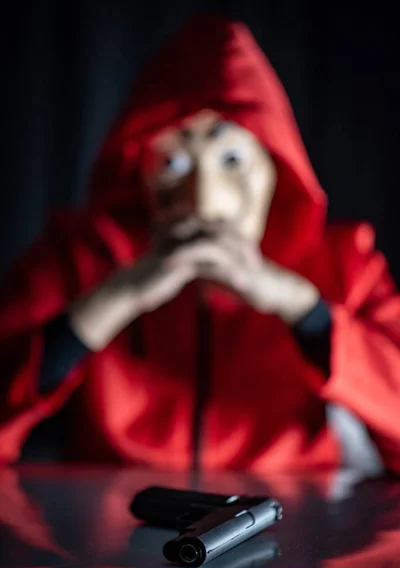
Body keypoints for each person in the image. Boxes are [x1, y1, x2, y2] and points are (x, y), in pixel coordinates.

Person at [0, 13, 400, 474]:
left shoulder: (344, 263)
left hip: (293, 527)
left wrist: (303, 310)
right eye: (173, 162)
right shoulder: (77, 259)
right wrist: (119, 296)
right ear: (139, 171)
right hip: (109, 528)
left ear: (276, 164)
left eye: (232, 158)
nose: (204, 202)